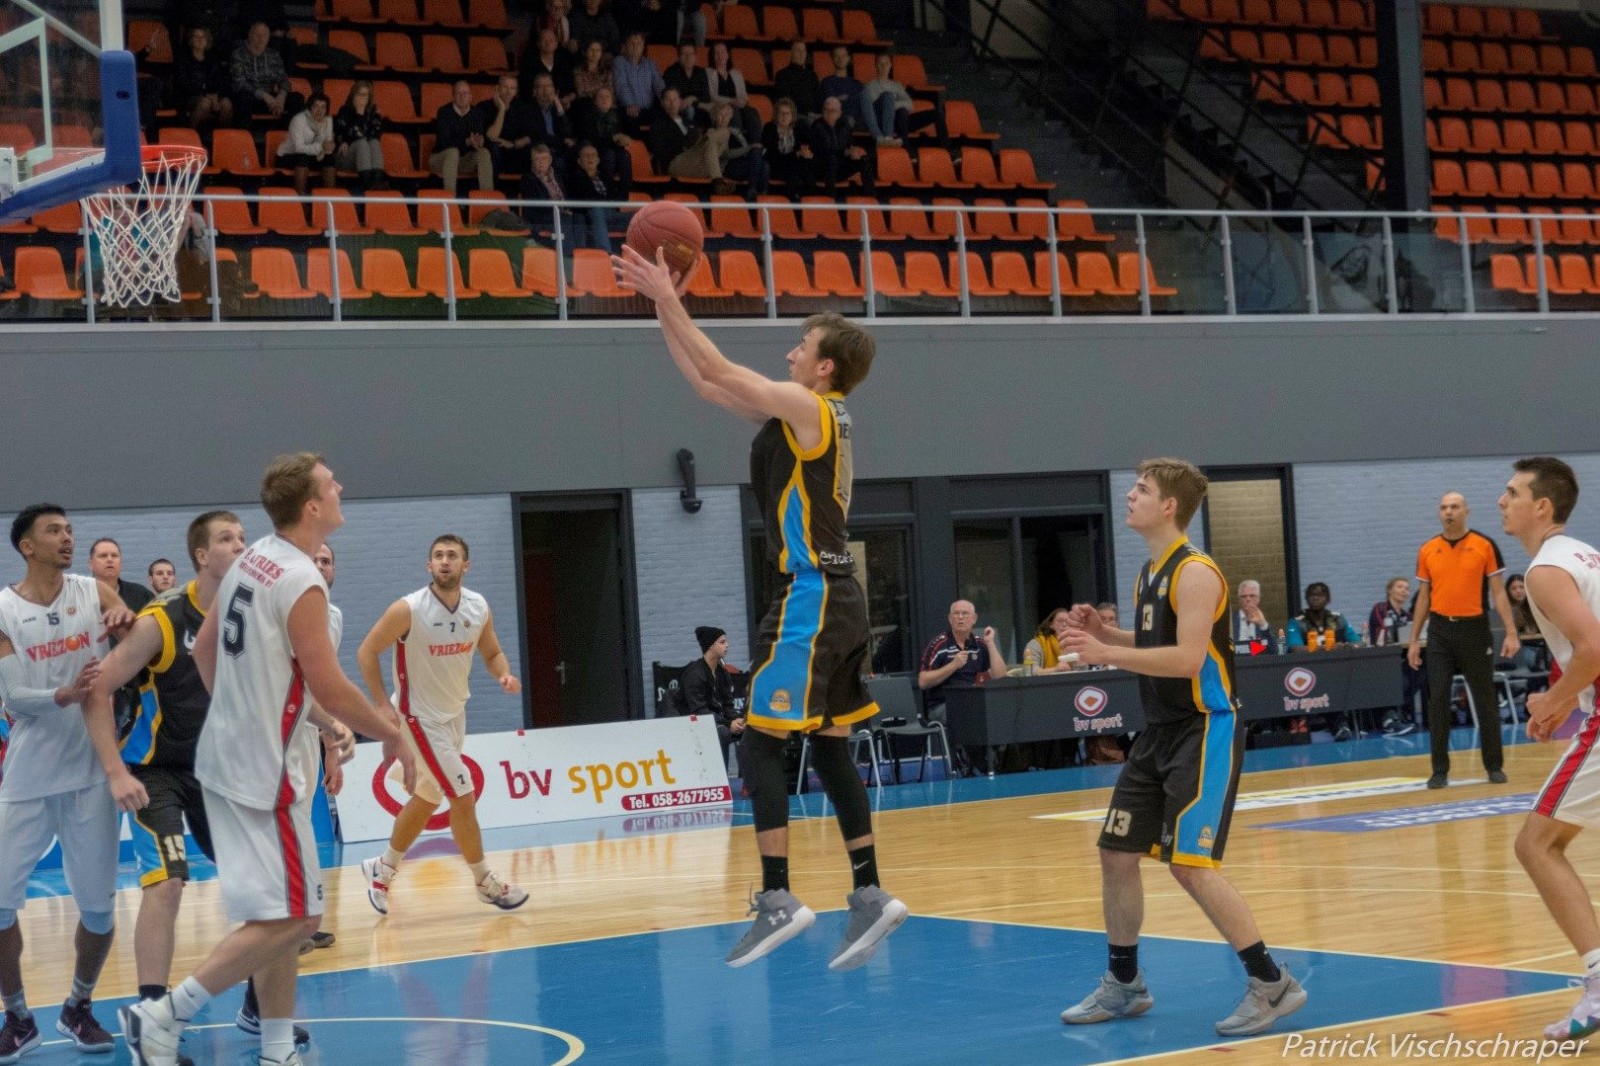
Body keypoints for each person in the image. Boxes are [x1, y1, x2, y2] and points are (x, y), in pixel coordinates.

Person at [611, 245, 907, 971]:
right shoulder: (805, 413)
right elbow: (710, 385)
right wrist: (663, 309)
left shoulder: (812, 407)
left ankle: (778, 896)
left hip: (810, 595)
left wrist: (668, 297)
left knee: (758, 740)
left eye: (801, 346)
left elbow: (719, 368)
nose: (789, 352)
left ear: (825, 366)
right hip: (839, 596)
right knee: (830, 744)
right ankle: (869, 893)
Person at [120, 455, 416, 1066]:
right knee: (301, 917)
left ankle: (277, 1048)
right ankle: (163, 1014)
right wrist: (395, 734)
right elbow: (330, 687)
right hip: (262, 770)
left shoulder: (253, 557)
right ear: (312, 506)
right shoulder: (301, 579)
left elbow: (205, 648)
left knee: (277, 911)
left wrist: (237, 711)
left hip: (226, 757)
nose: (341, 487)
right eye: (331, 483)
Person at [1058, 457, 1306, 1038]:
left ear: (1169, 506)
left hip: (1205, 728)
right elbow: (1156, 640)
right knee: (1116, 853)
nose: (1130, 496)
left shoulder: (1196, 572)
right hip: (1160, 731)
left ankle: (1272, 982)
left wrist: (1106, 654)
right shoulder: (1151, 572)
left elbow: (1189, 659)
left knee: (1190, 865)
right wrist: (1106, 634)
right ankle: (1125, 983)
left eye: (1141, 490)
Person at [0, 505, 136, 1061]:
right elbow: (14, 697)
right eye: (53, 531)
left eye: (69, 530)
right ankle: (17, 1016)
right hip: (28, 776)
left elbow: (131, 634)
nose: (67, 538)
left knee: (99, 911)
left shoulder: (92, 591)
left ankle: (78, 1005)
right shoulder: (4, 609)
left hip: (91, 774)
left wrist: (125, 620)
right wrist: (62, 695)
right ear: (27, 546)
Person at [356, 534, 527, 916]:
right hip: (417, 718)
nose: (445, 561)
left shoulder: (478, 606)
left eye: (452, 555)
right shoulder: (409, 609)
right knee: (462, 795)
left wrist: (503, 674)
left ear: (466, 565)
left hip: (453, 716)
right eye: (438, 555)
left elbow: (493, 652)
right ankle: (484, 881)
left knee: (428, 798)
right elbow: (367, 651)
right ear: (429, 565)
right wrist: (382, 705)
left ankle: (383, 868)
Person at [1501, 457, 1600, 1043]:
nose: (1502, 501)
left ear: (1542, 507)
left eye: (1513, 493)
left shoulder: (1544, 570)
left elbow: (1594, 648)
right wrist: (1563, 702)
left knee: (1536, 844)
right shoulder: (1583, 554)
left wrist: (1551, 702)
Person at [1407, 491, 1521, 789]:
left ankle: (1494, 766)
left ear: (1466, 511)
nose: (1449, 512)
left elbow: (1498, 592)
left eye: (1454, 507)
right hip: (1439, 631)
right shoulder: (1428, 549)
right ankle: (1439, 771)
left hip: (1475, 630)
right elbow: (1423, 597)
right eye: (1444, 507)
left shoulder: (1484, 545)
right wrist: (1414, 639)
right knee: (1438, 698)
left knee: (1485, 698)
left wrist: (1511, 631)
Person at [917, 600, 1008, 721]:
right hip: (944, 705)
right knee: (973, 714)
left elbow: (1000, 676)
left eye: (965, 613)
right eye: (956, 613)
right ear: (950, 619)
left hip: (974, 702)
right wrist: (953, 665)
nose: (960, 617)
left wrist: (990, 643)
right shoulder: (939, 644)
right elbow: (923, 681)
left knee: (1003, 711)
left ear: (974, 619)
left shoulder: (980, 644)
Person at [677, 625, 744, 768]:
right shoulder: (695, 674)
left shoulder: (722, 673)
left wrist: (735, 719)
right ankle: (721, 778)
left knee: (750, 731)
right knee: (722, 732)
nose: (727, 645)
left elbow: (727, 705)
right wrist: (728, 724)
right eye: (722, 642)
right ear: (711, 646)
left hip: (714, 720)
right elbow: (699, 710)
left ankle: (750, 778)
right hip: (690, 721)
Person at [1368, 577, 1421, 735]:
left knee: (1421, 667)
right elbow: (1384, 632)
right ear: (1389, 590)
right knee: (1399, 675)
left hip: (1400, 656)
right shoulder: (1380, 608)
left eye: (1407, 588)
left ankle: (1400, 711)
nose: (1404, 590)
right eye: (1399, 587)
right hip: (1380, 659)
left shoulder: (1407, 615)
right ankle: (1389, 719)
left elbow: (1415, 633)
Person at [861, 51, 943, 147]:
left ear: (890, 65)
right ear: (876, 66)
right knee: (888, 96)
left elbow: (909, 104)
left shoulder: (896, 85)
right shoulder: (869, 86)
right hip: (880, 121)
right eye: (880, 64)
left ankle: (945, 148)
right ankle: (896, 141)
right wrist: (890, 103)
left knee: (935, 113)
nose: (883, 67)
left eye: (886, 63)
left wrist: (891, 105)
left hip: (898, 120)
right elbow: (869, 110)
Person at [430, 80, 494, 197]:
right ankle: (451, 199)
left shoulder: (477, 113)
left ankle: (487, 199)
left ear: (471, 97)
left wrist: (478, 142)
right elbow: (445, 143)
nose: (462, 96)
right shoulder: (444, 112)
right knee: (453, 152)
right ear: (453, 96)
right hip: (441, 159)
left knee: (484, 152)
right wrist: (467, 141)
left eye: (465, 93)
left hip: (464, 160)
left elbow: (478, 136)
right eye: (458, 93)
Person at [569, 84, 634, 197]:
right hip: (595, 150)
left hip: (614, 149)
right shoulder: (588, 115)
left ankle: (627, 194)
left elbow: (627, 133)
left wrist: (625, 138)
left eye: (608, 96)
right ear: (595, 101)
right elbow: (591, 139)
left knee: (625, 155)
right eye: (601, 97)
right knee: (609, 155)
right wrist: (613, 138)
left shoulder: (617, 115)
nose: (605, 99)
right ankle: (608, 191)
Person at [229, 20, 298, 123]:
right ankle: (246, 131)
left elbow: (283, 80)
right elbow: (239, 82)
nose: (261, 39)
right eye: (257, 34)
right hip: (251, 98)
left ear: (269, 37)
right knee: (243, 97)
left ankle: (283, 129)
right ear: (250, 35)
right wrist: (264, 96)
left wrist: (281, 97)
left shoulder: (273, 55)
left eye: (264, 35)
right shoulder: (238, 54)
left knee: (297, 98)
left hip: (271, 99)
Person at [648, 87, 719, 179]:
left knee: (718, 136)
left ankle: (718, 178)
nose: (672, 103)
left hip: (696, 161)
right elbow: (659, 150)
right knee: (712, 141)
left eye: (675, 99)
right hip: (676, 164)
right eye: (668, 100)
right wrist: (685, 146)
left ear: (680, 101)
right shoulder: (658, 124)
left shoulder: (689, 122)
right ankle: (718, 179)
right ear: (662, 103)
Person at [809, 96, 874, 195]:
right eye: (826, 110)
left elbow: (849, 145)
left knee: (864, 160)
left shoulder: (844, 126)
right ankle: (831, 198)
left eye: (833, 111)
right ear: (822, 111)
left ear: (839, 113)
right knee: (831, 160)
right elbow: (823, 151)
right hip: (823, 169)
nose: (829, 113)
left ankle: (871, 196)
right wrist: (845, 152)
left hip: (841, 167)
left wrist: (853, 152)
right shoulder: (816, 126)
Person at [171, 26, 233, 130]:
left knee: (226, 103)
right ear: (190, 41)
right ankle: (190, 134)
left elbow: (219, 82)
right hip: (187, 97)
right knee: (205, 103)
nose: (200, 40)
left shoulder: (213, 60)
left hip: (210, 96)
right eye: (196, 37)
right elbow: (183, 84)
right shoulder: (182, 60)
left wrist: (216, 96)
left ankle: (222, 137)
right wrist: (206, 95)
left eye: (203, 37)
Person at [479, 73, 538, 177]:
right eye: (505, 87)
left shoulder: (522, 108)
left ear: (516, 91)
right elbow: (491, 136)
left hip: (515, 152)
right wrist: (501, 109)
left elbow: (530, 136)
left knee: (534, 148)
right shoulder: (484, 107)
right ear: (497, 88)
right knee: (493, 146)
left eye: (512, 88)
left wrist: (513, 144)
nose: (508, 92)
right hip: (495, 153)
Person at [277, 93, 336, 197]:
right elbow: (298, 147)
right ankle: (300, 199)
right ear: (309, 107)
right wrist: (321, 147)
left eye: (323, 107)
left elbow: (327, 146)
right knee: (303, 158)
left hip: (312, 155)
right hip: (288, 155)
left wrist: (329, 147)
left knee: (329, 159)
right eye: (316, 106)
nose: (319, 110)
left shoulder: (328, 120)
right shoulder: (299, 119)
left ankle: (330, 199)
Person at [707, 99, 767, 198]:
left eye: (726, 115)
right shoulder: (712, 132)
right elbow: (725, 154)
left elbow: (745, 148)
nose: (724, 118)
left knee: (764, 165)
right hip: (727, 166)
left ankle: (760, 195)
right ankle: (752, 193)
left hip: (743, 163)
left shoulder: (735, 132)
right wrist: (748, 148)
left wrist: (751, 149)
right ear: (714, 116)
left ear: (730, 117)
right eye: (720, 114)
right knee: (760, 162)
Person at [566, 142, 621, 251]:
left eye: (593, 155)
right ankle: (605, 252)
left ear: (598, 160)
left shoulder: (605, 176)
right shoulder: (575, 178)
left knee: (640, 215)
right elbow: (586, 199)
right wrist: (602, 200)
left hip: (611, 213)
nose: (590, 158)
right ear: (579, 161)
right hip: (590, 214)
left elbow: (615, 197)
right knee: (597, 209)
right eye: (586, 156)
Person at [333, 79, 387, 191]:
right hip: (345, 157)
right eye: (359, 94)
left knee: (374, 142)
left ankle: (377, 182)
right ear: (353, 95)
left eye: (365, 95)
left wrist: (370, 115)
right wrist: (359, 113)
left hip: (366, 159)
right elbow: (343, 134)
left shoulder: (373, 112)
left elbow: (375, 135)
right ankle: (367, 186)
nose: (362, 98)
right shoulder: (345, 110)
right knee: (362, 143)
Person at [705, 41, 761, 143]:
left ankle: (756, 145)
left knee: (752, 112)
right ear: (712, 56)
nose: (720, 56)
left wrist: (742, 101)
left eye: (723, 52)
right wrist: (731, 101)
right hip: (720, 106)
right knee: (733, 113)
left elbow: (744, 95)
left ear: (727, 55)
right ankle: (738, 145)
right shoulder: (707, 73)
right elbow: (712, 96)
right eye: (717, 53)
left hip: (738, 105)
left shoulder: (737, 74)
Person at [610, 31, 663, 134]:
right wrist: (629, 103)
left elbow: (659, 84)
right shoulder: (619, 62)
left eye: (638, 44)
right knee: (631, 120)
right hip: (629, 108)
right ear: (626, 46)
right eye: (632, 44)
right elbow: (621, 86)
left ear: (643, 46)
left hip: (648, 109)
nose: (635, 47)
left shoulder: (650, 63)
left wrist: (666, 99)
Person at [761, 97, 813, 198]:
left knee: (808, 161)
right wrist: (796, 154)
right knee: (794, 165)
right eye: (781, 113)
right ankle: (793, 197)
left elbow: (807, 144)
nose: (784, 116)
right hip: (775, 166)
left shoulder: (797, 130)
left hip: (793, 166)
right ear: (776, 115)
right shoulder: (769, 128)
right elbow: (773, 155)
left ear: (792, 116)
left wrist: (806, 152)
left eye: (787, 113)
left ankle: (808, 197)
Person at [91, 536, 155, 614]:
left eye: (114, 555)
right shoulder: (80, 596)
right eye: (103, 556)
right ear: (91, 564)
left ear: (120, 563)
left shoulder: (141, 595)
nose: (110, 560)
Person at [519, 27, 576, 108]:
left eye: (551, 40)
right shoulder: (530, 64)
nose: (548, 43)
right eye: (544, 40)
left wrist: (566, 100)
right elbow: (525, 89)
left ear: (556, 44)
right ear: (538, 44)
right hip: (537, 106)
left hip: (562, 104)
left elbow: (572, 90)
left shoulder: (564, 63)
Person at [772, 39, 821, 121]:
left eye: (804, 51)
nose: (802, 54)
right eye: (798, 50)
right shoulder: (782, 75)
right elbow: (785, 101)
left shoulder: (812, 75)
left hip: (813, 115)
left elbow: (818, 98)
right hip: (795, 116)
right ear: (791, 53)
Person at [662, 40, 709, 122]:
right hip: (679, 109)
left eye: (691, 54)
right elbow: (670, 96)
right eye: (684, 54)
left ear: (695, 56)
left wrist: (692, 98)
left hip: (700, 107)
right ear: (678, 56)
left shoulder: (701, 72)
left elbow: (707, 97)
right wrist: (685, 102)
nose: (688, 57)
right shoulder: (671, 72)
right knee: (690, 110)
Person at [817, 45, 863, 125]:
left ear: (848, 58)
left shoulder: (857, 84)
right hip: (838, 120)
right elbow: (832, 103)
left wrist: (844, 98)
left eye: (843, 56)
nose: (840, 59)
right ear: (833, 59)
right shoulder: (827, 82)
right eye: (837, 56)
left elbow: (862, 105)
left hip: (858, 120)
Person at [1023, 608, 1077, 673]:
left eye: (1067, 622)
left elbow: (1082, 671)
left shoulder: (1074, 644)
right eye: (1060, 621)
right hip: (1044, 680)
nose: (1064, 624)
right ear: (1051, 624)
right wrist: (1055, 670)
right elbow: (1030, 671)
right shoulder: (1036, 644)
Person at [1230, 579, 1275, 656]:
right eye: (1244, 596)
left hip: (1259, 661)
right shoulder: (1230, 621)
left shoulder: (1265, 622)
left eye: (1252, 596)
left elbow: (1274, 651)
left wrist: (1263, 625)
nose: (1248, 599)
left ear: (1259, 599)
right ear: (1239, 600)